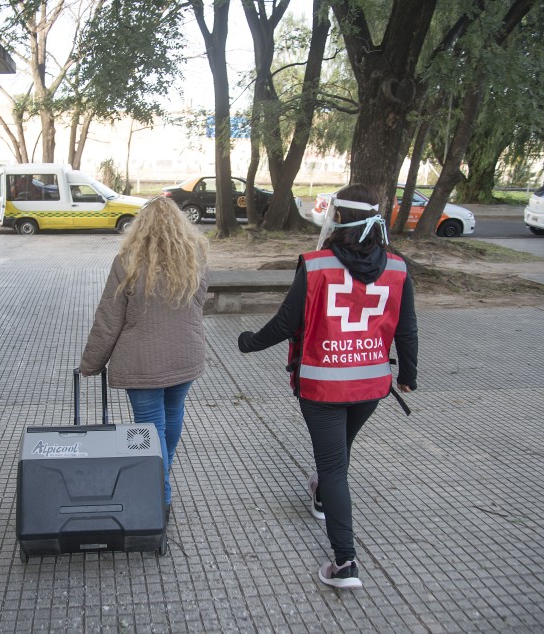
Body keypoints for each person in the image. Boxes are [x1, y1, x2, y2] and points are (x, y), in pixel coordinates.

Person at [237, 183, 418, 589]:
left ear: (338, 217)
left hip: (321, 387)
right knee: (338, 452)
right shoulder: (398, 267)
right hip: (370, 386)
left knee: (334, 465)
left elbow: (287, 323)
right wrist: (408, 376)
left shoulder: (316, 265)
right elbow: (407, 329)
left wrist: (248, 343)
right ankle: (321, 494)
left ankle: (345, 563)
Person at [80, 196, 209, 521]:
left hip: (142, 363)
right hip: (185, 357)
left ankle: (159, 495)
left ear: (141, 227)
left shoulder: (127, 260)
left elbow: (109, 318)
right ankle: (161, 470)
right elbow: (199, 302)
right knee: (172, 415)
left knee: (149, 428)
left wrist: (91, 363)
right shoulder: (194, 256)